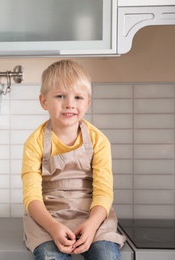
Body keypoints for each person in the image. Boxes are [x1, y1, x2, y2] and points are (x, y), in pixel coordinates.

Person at [21, 59, 126, 260]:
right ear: (44, 101)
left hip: (92, 216)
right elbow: (31, 197)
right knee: (49, 256)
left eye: (78, 97)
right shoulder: (34, 143)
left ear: (87, 102)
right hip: (48, 217)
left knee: (105, 255)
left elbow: (104, 192)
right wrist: (52, 227)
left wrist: (92, 225)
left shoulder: (99, 141)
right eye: (60, 96)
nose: (70, 104)